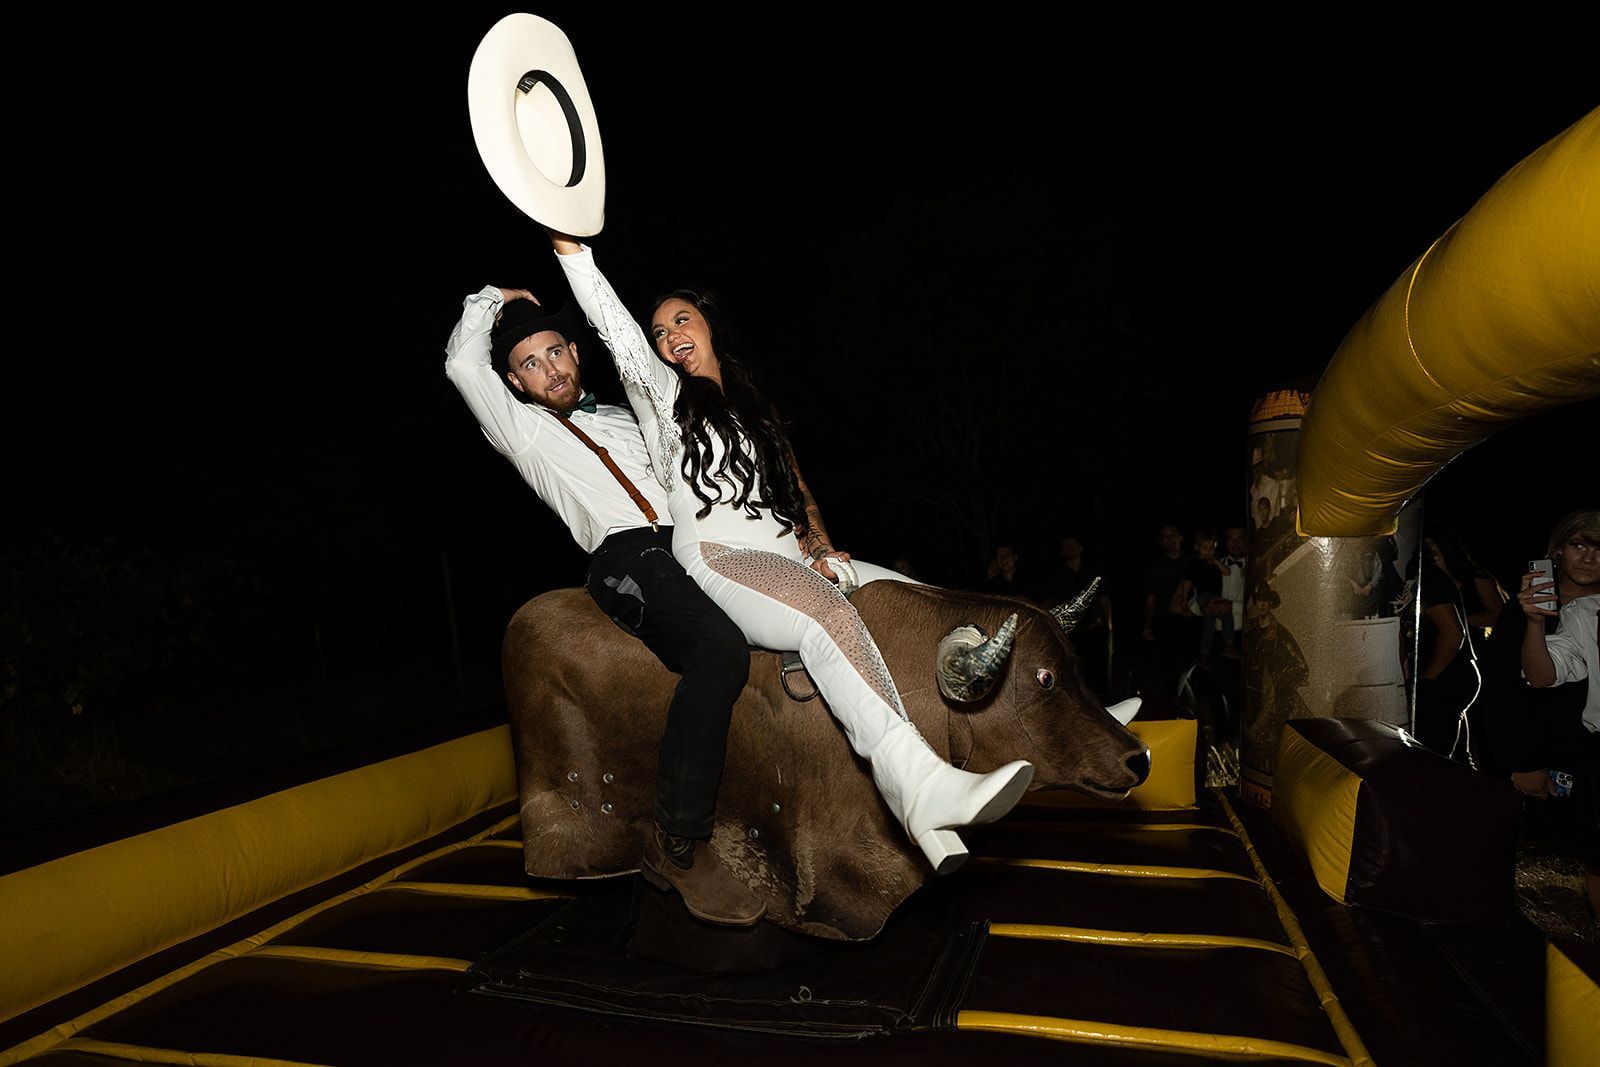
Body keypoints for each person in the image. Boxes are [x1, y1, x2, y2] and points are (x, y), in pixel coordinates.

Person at [547, 232, 1032, 875]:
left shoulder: (756, 409)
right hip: (723, 558)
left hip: (790, 556)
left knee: (919, 600)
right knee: (822, 613)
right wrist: (572, 252)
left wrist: (822, 546)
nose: (667, 336)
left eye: (681, 320)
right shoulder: (663, 398)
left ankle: (1050, 713)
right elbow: (614, 329)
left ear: (711, 326)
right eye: (660, 331)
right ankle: (918, 789)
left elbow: (798, 490)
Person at [443, 287, 765, 927]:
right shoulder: (523, 431)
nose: (551, 368)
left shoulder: (626, 416)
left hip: (694, 543)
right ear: (514, 379)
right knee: (716, 650)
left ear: (575, 355)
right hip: (628, 560)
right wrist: (495, 298)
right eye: (531, 363)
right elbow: (460, 364)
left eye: (556, 351)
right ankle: (678, 840)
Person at [1512, 510, 1600, 916]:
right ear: (1558, 551)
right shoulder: (1576, 616)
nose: (1590, 557)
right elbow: (1540, 678)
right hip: (1576, 754)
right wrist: (1532, 623)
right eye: (1580, 545)